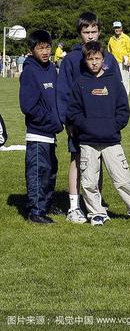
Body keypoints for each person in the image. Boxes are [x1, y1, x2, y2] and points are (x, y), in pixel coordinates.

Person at [66, 41, 130, 226]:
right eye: (90, 59)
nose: (94, 63)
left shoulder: (113, 81)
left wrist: (114, 126)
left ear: (103, 59)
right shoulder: (80, 83)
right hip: (88, 141)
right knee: (89, 181)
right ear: (85, 60)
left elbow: (123, 110)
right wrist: (86, 126)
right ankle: (96, 213)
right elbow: (73, 111)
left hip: (111, 140)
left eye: (98, 59)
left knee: (122, 179)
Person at [57, 12, 121, 224]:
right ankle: (74, 207)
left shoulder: (109, 58)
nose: (91, 36)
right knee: (77, 160)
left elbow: (117, 91)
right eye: (86, 32)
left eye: (94, 31)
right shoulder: (70, 60)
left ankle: (96, 206)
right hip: (79, 123)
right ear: (79, 33)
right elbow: (63, 93)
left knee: (98, 162)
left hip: (103, 123)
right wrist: (69, 122)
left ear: (100, 32)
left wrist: (114, 120)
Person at [19, 30, 64, 224]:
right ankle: (36, 212)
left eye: (47, 47)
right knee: (38, 172)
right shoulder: (30, 71)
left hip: (51, 134)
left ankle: (46, 204)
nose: (45, 51)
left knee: (50, 171)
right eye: (40, 48)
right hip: (38, 134)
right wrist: (52, 121)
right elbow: (28, 106)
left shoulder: (51, 68)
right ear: (31, 50)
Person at [107, 21, 130, 94]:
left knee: (124, 80)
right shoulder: (111, 39)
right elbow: (109, 52)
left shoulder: (126, 38)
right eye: (115, 28)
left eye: (118, 27)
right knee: (115, 80)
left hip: (123, 63)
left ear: (121, 28)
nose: (117, 29)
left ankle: (125, 95)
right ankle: (116, 95)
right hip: (114, 63)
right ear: (113, 29)